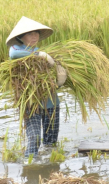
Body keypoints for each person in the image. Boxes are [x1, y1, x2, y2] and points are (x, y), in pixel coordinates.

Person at [7, 16, 67, 157]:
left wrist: (60, 80)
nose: (34, 36)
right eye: (30, 34)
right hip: (30, 103)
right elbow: (14, 54)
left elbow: (51, 80)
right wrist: (41, 55)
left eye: (36, 33)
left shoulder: (44, 53)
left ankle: (49, 170)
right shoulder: (17, 49)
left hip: (51, 102)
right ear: (21, 37)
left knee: (50, 143)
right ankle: (31, 168)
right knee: (34, 138)